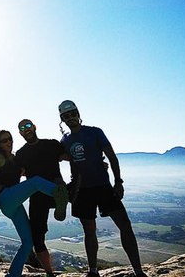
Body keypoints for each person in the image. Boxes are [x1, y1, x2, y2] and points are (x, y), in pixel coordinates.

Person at [58, 100, 147, 277]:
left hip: (103, 187)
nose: (71, 118)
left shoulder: (95, 132)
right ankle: (93, 271)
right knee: (89, 232)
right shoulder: (65, 140)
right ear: (62, 119)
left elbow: (112, 157)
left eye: (73, 114)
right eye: (66, 116)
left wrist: (119, 182)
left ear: (78, 113)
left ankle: (138, 271)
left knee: (125, 227)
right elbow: (65, 159)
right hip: (82, 191)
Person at [0, 130, 68, 277]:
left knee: (28, 242)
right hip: (6, 197)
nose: (8, 142)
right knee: (35, 182)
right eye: (4, 141)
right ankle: (60, 194)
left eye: (9, 139)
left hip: (13, 204)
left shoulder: (14, 158)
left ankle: (13, 275)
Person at [15, 119, 67, 277]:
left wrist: (98, 163)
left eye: (28, 126)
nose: (26, 129)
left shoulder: (51, 144)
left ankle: (61, 200)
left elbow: (72, 157)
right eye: (23, 128)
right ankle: (49, 273)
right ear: (20, 133)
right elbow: (17, 174)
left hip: (55, 189)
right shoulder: (21, 153)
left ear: (34, 127)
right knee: (37, 238)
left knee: (59, 186)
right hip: (38, 197)